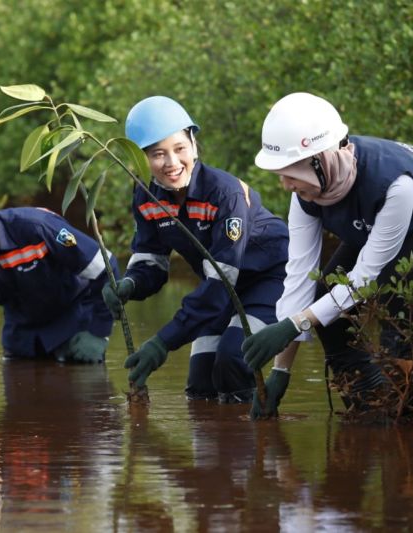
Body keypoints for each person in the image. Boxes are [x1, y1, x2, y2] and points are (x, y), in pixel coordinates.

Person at [242, 92, 413, 418]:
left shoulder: (393, 182)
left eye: (291, 172)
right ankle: (366, 401)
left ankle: (406, 409)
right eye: (280, 174)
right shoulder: (304, 194)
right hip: (385, 222)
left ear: (322, 159)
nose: (285, 185)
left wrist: (297, 323)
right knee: (325, 296)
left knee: (396, 290)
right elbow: (299, 278)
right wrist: (281, 371)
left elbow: (366, 278)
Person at [102, 96, 289, 404]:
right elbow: (151, 260)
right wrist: (130, 284)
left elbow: (220, 284)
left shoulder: (224, 193)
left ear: (194, 144)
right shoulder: (146, 198)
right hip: (220, 289)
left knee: (232, 358)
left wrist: (163, 342)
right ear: (139, 160)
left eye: (180, 149)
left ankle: (256, 436)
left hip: (269, 280)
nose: (172, 163)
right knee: (201, 382)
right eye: (157, 154)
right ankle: (215, 446)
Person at [0, 173, 117, 368]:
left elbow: (105, 268)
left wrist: (98, 331)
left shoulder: (37, 228)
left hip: (76, 328)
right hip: (21, 340)